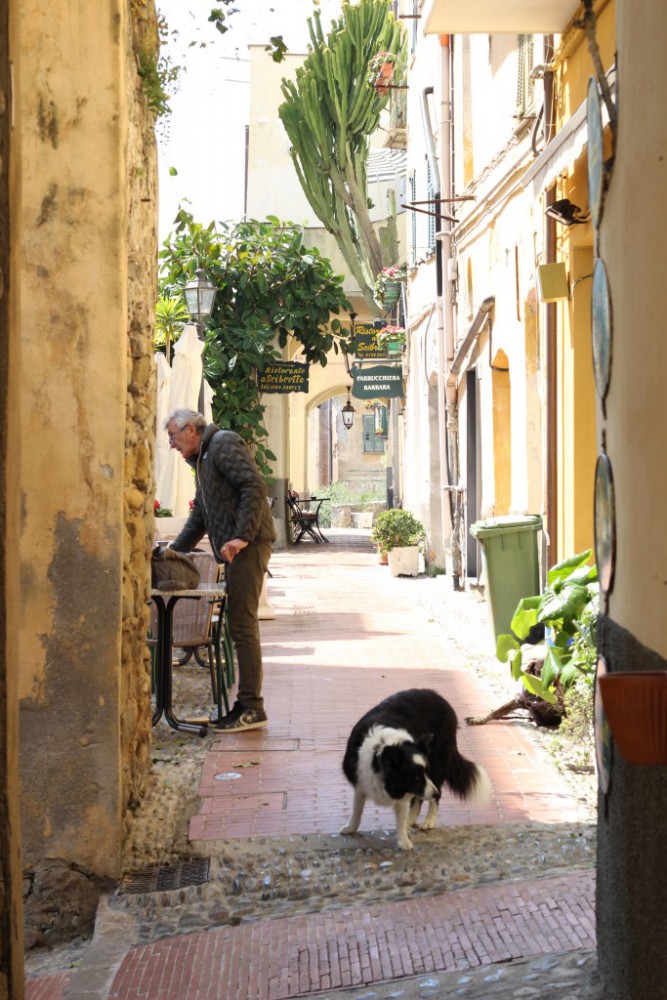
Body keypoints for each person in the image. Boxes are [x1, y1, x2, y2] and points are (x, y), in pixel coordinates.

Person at [165, 408, 276, 732]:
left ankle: (252, 708)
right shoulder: (203, 458)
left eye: (173, 436)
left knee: (242, 625)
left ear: (190, 430)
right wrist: (172, 553)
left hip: (248, 546)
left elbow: (253, 487)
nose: (171, 444)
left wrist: (242, 536)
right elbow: (201, 512)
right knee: (239, 625)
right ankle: (245, 704)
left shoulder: (223, 443)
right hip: (238, 548)